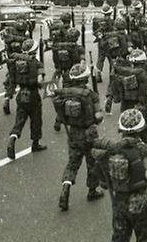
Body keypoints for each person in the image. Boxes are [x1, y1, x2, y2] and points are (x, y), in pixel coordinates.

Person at [92, 109, 147, 242]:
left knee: (120, 237)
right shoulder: (144, 149)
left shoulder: (113, 150)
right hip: (140, 201)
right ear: (141, 128)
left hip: (119, 202)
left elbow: (103, 180)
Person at [51, 62, 105, 210]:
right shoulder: (90, 95)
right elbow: (98, 116)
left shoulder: (64, 92)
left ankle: (66, 187)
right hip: (89, 132)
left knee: (72, 163)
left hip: (73, 132)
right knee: (92, 162)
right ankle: (92, 190)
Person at [6, 39, 48, 159]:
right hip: (33, 93)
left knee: (19, 119)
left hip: (21, 93)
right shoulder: (37, 63)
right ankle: (35, 143)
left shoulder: (16, 61)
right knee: (36, 119)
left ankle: (12, 138)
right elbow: (40, 81)